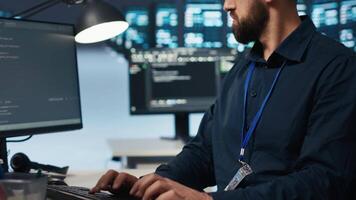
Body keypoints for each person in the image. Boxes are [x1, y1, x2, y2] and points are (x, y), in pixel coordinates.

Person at [91, 0, 356, 199]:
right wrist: (151, 184)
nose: (227, 5)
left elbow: (324, 181)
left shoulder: (338, 68)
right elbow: (205, 150)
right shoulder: (242, 68)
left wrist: (208, 199)